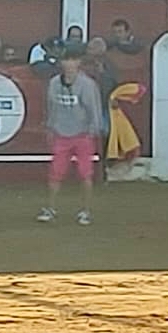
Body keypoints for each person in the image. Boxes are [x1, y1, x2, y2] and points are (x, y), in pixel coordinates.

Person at [37, 54, 104, 225]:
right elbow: (51, 107)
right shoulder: (54, 83)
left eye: (72, 60)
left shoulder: (87, 85)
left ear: (78, 62)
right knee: (55, 172)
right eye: (66, 60)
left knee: (85, 173)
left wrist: (93, 130)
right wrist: (50, 127)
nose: (69, 64)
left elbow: (94, 109)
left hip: (83, 134)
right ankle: (51, 208)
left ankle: (85, 210)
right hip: (61, 133)